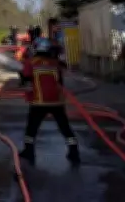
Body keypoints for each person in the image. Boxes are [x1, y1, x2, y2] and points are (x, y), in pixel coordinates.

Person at [18, 37, 80, 165]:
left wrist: (22, 75)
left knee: (32, 129)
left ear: (36, 48)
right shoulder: (55, 63)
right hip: (57, 102)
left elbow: (25, 79)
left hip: (39, 102)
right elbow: (60, 82)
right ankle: (74, 152)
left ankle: (29, 152)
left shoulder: (31, 62)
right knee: (65, 128)